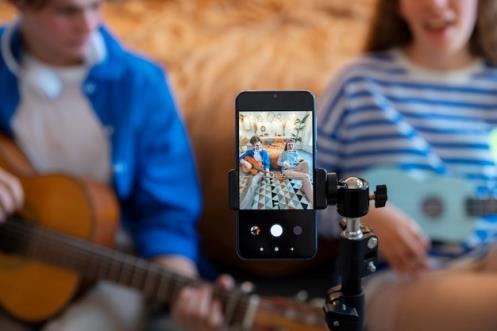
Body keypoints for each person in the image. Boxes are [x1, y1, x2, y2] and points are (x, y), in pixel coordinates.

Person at [0, 1, 231, 330]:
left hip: (112, 265)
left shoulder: (141, 83)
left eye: (95, 5)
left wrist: (184, 293)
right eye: (67, 11)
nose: (89, 24)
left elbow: (167, 212)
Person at [318, 0, 497, 330]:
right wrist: (357, 214)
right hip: (392, 282)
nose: (436, 4)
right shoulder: (357, 83)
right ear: (397, 6)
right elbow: (291, 193)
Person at [277, 138, 313, 205]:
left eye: (292, 145)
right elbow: (278, 162)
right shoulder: (283, 153)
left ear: (294, 146)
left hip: (296, 168)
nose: (290, 146)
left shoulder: (296, 153)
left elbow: (300, 160)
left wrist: (301, 160)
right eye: (289, 145)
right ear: (286, 146)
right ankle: (314, 201)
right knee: (306, 176)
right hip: (287, 170)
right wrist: (284, 163)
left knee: (306, 163)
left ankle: (303, 187)